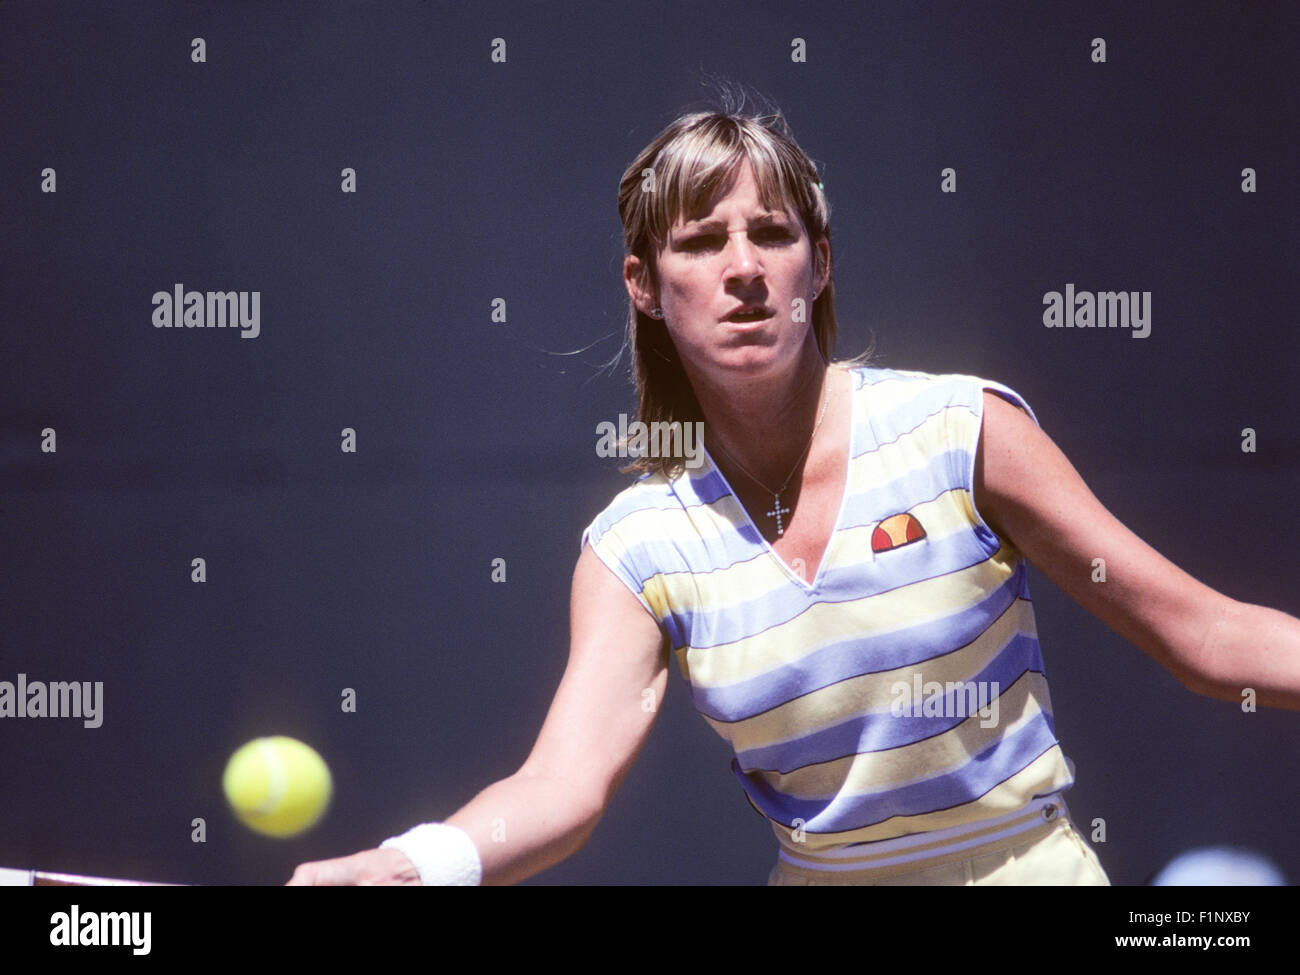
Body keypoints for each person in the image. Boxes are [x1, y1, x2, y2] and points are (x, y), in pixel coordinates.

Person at [288, 103, 1300, 886]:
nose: (742, 271)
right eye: (698, 242)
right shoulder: (636, 547)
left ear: (816, 263)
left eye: (771, 234)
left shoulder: (960, 430)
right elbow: (563, 785)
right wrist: (422, 861)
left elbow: (1205, 639)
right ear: (644, 283)